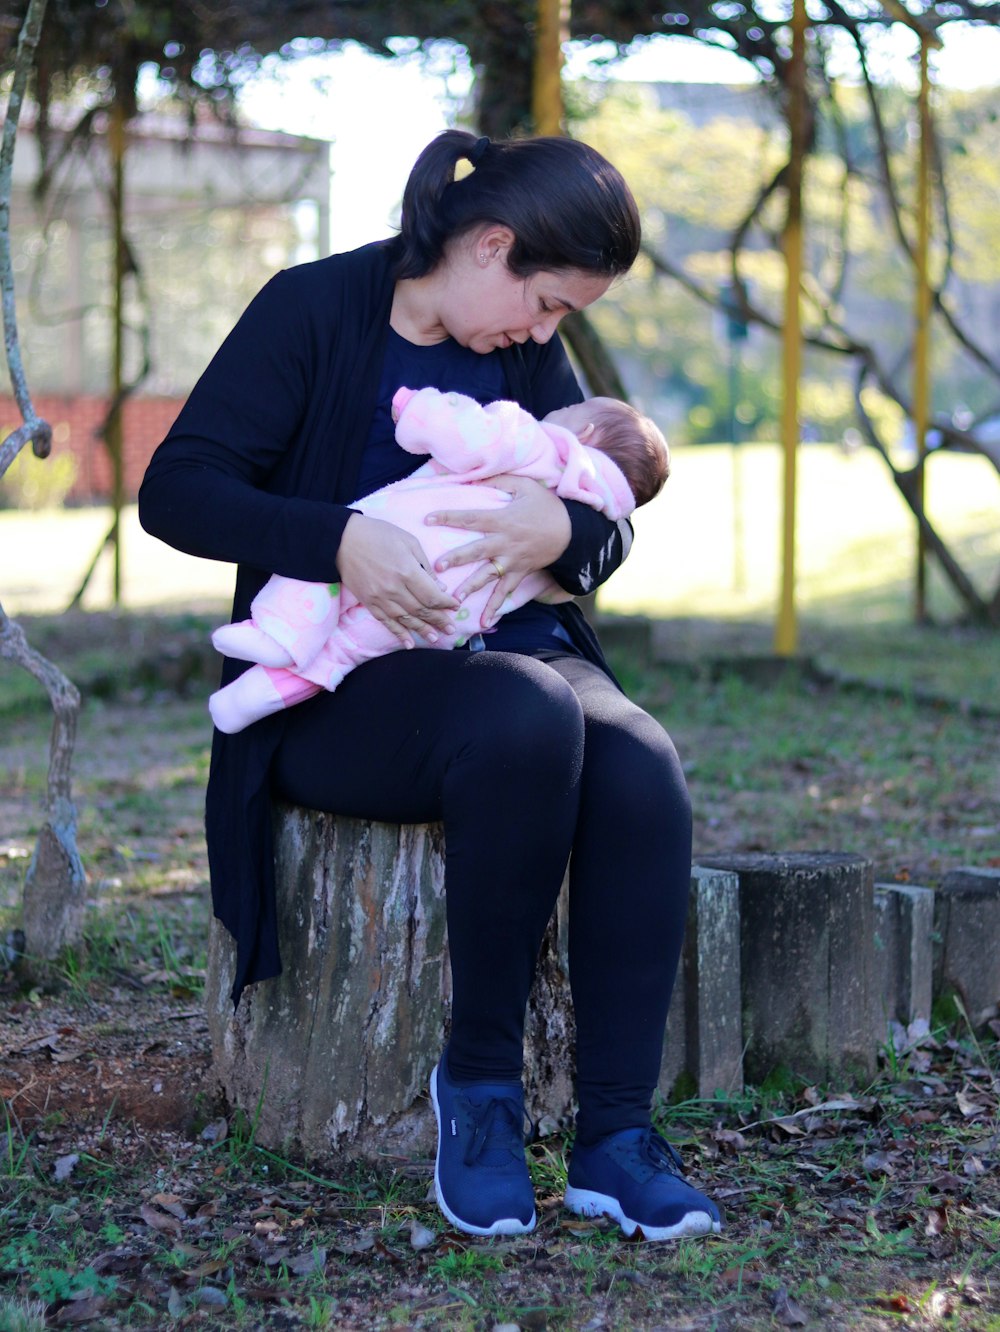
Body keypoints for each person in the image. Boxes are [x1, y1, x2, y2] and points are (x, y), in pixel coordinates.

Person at [138, 129, 721, 1242]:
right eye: (547, 305)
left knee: (639, 759)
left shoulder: (516, 357)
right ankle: (483, 1092)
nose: (547, 337)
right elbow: (177, 491)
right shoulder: (314, 309)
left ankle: (614, 1136)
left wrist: (568, 526)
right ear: (490, 245)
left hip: (510, 639)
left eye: (561, 321)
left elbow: (602, 496)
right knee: (524, 714)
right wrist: (339, 538)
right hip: (339, 683)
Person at [207, 385, 669, 734]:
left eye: (570, 409)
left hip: (412, 538)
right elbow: (559, 586)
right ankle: (257, 694)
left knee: (319, 585)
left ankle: (277, 636)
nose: (558, 407)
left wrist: (416, 407)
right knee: (347, 649)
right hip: (448, 619)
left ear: (583, 432)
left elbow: (469, 435)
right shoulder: (600, 504)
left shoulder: (535, 441)